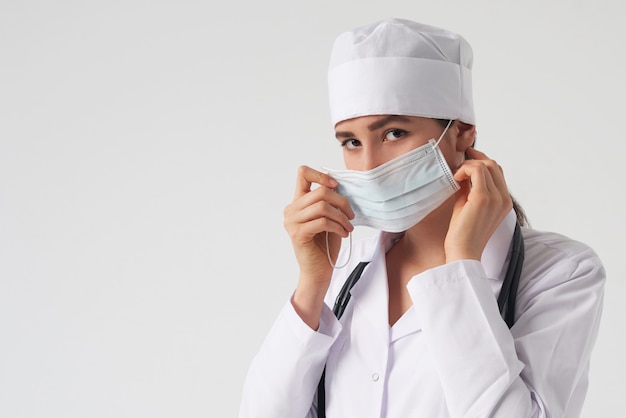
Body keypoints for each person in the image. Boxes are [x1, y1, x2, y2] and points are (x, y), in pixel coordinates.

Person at [239, 18, 605, 417]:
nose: (370, 166)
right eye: (351, 142)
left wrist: (461, 262)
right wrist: (311, 285)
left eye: (394, 133)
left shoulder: (562, 273)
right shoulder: (344, 272)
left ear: (462, 132)